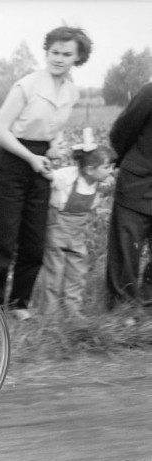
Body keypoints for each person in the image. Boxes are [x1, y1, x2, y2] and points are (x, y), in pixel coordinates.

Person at [0, 27, 92, 320]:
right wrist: (31, 157)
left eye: (66, 54)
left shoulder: (71, 92)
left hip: (40, 164)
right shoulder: (28, 85)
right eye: (54, 52)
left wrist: (53, 148)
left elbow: (52, 132)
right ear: (46, 52)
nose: (59, 58)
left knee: (33, 241)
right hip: (12, 161)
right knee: (5, 240)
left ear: (78, 57)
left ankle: (19, 303)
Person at [36, 136, 114, 317]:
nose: (110, 171)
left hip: (77, 233)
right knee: (53, 270)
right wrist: (47, 162)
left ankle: (73, 308)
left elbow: (98, 199)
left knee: (77, 271)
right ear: (89, 169)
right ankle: (49, 312)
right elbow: (50, 175)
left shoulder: (98, 183)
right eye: (106, 167)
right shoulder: (67, 176)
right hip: (58, 227)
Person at [106, 82, 152, 309]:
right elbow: (123, 129)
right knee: (126, 248)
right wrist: (123, 161)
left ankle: (148, 297)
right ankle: (122, 308)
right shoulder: (150, 92)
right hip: (138, 182)